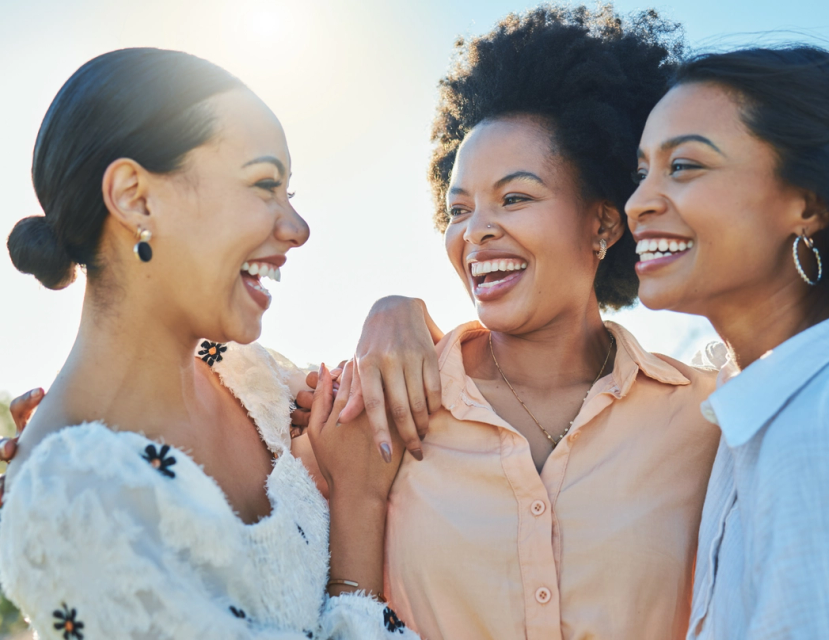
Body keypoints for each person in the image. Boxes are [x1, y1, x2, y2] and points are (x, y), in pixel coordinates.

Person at [310, 8, 720, 639]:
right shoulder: (381, 407)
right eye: (459, 209)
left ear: (604, 224)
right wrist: (389, 306)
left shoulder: (706, 419)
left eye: (516, 197)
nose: (476, 232)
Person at [0, 48, 418, 640]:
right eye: (264, 184)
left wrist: (397, 313)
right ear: (136, 199)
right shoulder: (69, 500)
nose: (298, 229)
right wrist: (357, 508)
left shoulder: (256, 380)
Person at [626, 46, 829, 638]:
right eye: (641, 171)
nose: (638, 202)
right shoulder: (760, 403)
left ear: (808, 202)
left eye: (685, 166)